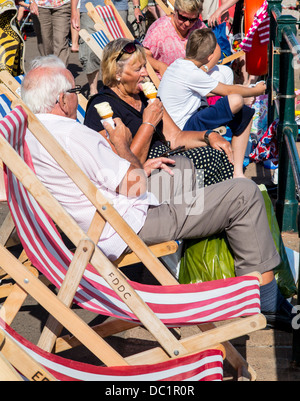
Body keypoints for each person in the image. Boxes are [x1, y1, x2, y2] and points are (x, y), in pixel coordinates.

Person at [21, 55, 294, 330]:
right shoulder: (72, 134)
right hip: (128, 225)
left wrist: (144, 165)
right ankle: (263, 299)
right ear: (62, 99)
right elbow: (135, 185)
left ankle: (220, 275)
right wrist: (121, 142)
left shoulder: (29, 135)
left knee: (187, 168)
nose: (78, 96)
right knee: (244, 193)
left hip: (103, 219)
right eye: (75, 91)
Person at [84, 38, 236, 187]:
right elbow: (123, 170)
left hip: (168, 160)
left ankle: (223, 205)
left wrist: (208, 135)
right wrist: (148, 124)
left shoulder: (144, 96)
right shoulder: (102, 107)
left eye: (144, 66)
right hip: (142, 179)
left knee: (220, 152)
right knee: (210, 158)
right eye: (138, 69)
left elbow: (175, 137)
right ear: (117, 73)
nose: (145, 73)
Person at [158, 28, 266, 178]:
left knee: (244, 113)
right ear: (209, 57)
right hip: (181, 130)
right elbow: (227, 91)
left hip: (175, 125)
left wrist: (243, 90)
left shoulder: (178, 64)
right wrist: (256, 91)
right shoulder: (192, 73)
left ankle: (238, 173)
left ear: (186, 47)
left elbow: (209, 90)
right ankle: (237, 172)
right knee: (235, 100)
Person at [142, 0, 233, 83]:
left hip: (192, 73)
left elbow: (216, 48)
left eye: (192, 19)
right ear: (175, 10)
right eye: (183, 18)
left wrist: (205, 68)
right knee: (219, 77)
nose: (187, 24)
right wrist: (159, 66)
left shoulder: (197, 25)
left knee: (226, 72)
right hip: (170, 79)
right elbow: (143, 54)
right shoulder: (159, 28)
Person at [71, 0, 142, 97]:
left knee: (119, 52)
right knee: (90, 50)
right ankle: (93, 92)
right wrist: (74, 11)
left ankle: (117, 89)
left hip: (118, 7)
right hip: (89, 6)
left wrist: (136, 7)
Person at [29, 0, 71, 66]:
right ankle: (48, 69)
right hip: (40, 5)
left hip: (63, 4)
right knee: (45, 42)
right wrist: (31, 2)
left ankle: (60, 72)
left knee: (61, 40)